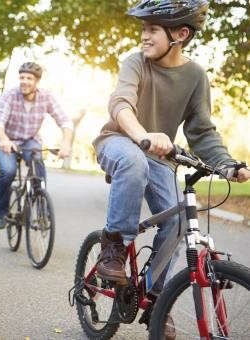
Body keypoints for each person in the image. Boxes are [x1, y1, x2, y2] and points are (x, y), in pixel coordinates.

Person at [92, 0, 250, 321]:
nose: (144, 36)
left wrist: (227, 163)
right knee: (134, 160)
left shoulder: (194, 76)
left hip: (159, 157)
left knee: (178, 223)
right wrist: (143, 136)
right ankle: (114, 247)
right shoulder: (135, 63)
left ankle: (154, 299)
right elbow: (121, 105)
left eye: (152, 30)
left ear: (180, 34)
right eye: (143, 29)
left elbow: (201, 130)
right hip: (120, 142)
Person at [0, 62, 74, 229]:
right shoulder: (10, 95)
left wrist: (65, 143)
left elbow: (65, 121)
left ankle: (41, 207)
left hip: (30, 140)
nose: (24, 81)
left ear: (37, 82)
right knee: (8, 171)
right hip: (8, 141)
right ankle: (0, 211)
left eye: (29, 78)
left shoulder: (46, 97)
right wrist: (4, 139)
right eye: (22, 77)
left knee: (37, 163)